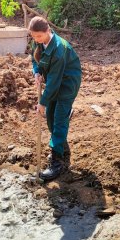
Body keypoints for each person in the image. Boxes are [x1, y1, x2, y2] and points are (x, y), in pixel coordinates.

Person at [28, 16, 81, 181]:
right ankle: (63, 148)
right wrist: (36, 71)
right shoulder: (38, 41)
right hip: (54, 81)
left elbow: (54, 82)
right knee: (50, 118)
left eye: (39, 36)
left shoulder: (58, 49)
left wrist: (42, 102)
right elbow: (34, 58)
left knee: (58, 120)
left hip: (67, 83)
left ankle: (57, 163)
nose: (36, 40)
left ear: (48, 31)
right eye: (34, 37)